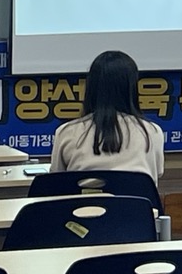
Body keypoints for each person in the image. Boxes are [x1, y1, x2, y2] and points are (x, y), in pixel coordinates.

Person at [50, 50, 164, 185]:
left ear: (91, 86)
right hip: (135, 200)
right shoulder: (152, 132)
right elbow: (157, 173)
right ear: (132, 87)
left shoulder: (66, 132)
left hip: (84, 199)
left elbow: (56, 179)